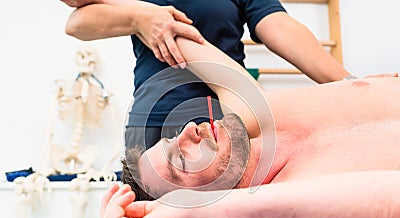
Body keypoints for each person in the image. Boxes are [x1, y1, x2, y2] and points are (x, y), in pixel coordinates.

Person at [100, 37, 400, 218]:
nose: (190, 130)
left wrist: (138, 15)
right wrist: (200, 215)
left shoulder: (258, 109)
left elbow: (178, 36)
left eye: (174, 137)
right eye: (181, 159)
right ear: (193, 201)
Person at [61, 0, 353, 150]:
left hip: (226, 124)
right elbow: (77, 20)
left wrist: (350, 85)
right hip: (153, 125)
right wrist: (140, 17)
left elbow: (279, 26)